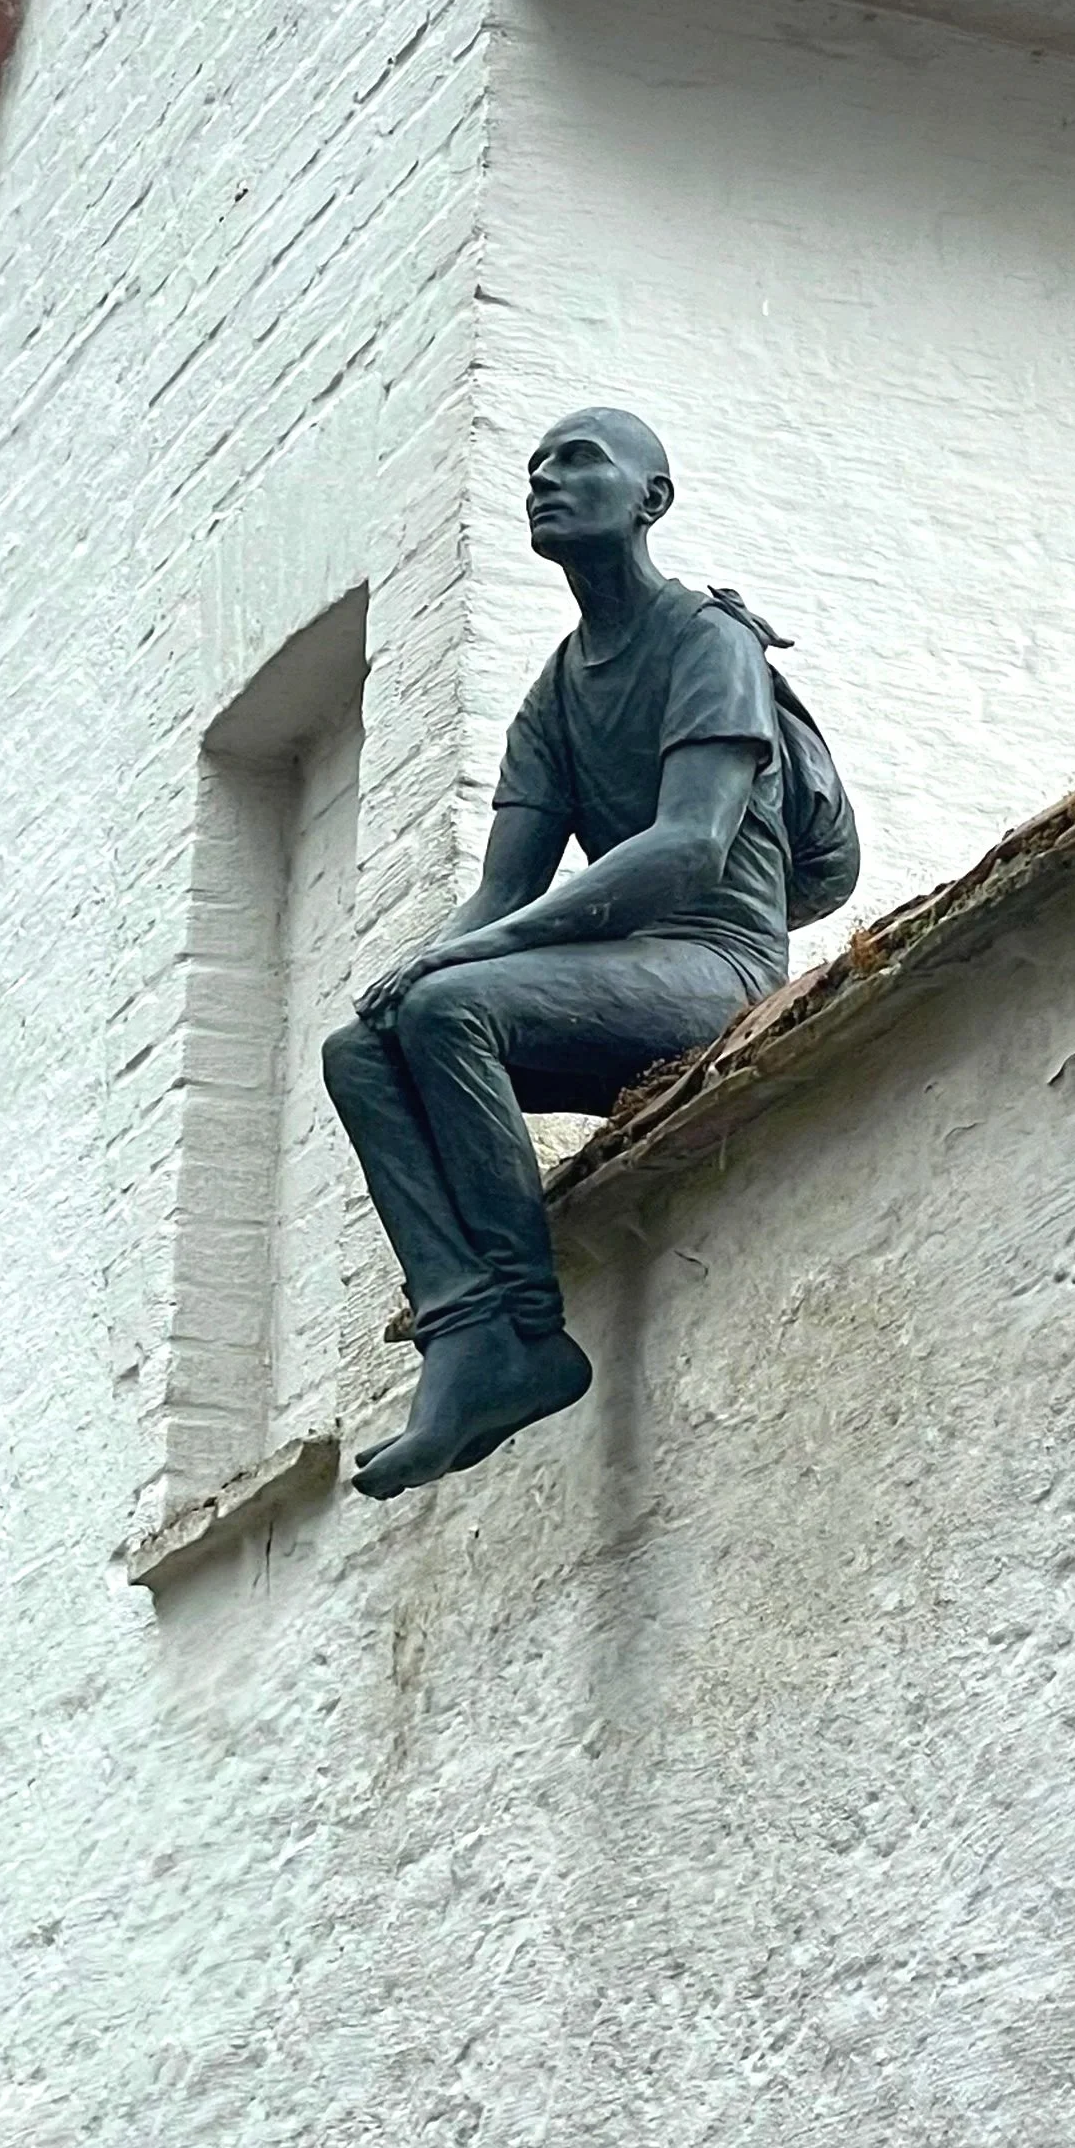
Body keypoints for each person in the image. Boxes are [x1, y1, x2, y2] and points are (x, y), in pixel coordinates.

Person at [324, 407, 790, 1499]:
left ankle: (527, 1333)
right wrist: (419, 969)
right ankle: (468, 1338)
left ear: (650, 500)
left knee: (450, 1010)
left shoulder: (707, 641)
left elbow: (687, 848)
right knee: (361, 1047)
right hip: (612, 985)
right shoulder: (556, 690)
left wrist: (454, 970)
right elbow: (502, 885)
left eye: (579, 461)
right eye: (534, 466)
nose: (545, 479)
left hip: (711, 963)